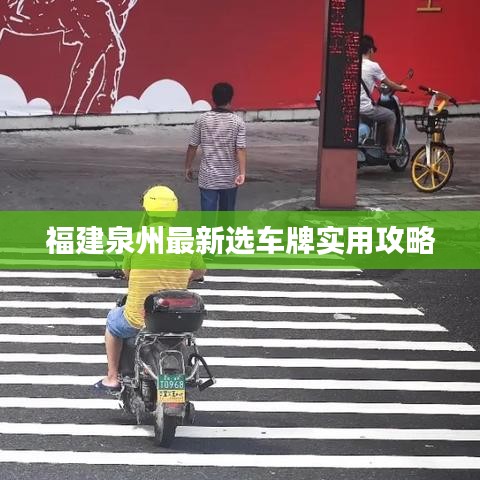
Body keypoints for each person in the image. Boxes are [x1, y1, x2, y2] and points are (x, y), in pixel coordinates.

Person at [94, 185, 206, 392]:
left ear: (146, 210)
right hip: (177, 318)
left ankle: (112, 377)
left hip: (139, 318)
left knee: (112, 323)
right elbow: (200, 271)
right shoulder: (186, 240)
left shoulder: (136, 239)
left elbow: (127, 272)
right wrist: (188, 276)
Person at [185, 82, 247, 211]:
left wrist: (188, 167)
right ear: (231, 98)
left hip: (208, 178)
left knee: (208, 218)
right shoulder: (238, 122)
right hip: (230, 178)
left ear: (212, 98)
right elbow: (240, 149)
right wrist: (242, 173)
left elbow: (192, 146)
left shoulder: (202, 119)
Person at [359, 35, 408, 155]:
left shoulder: (353, 64)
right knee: (391, 116)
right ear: (370, 50)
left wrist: (376, 87)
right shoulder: (373, 66)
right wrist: (401, 88)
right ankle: (389, 147)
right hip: (365, 107)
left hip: (351, 107)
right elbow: (389, 83)